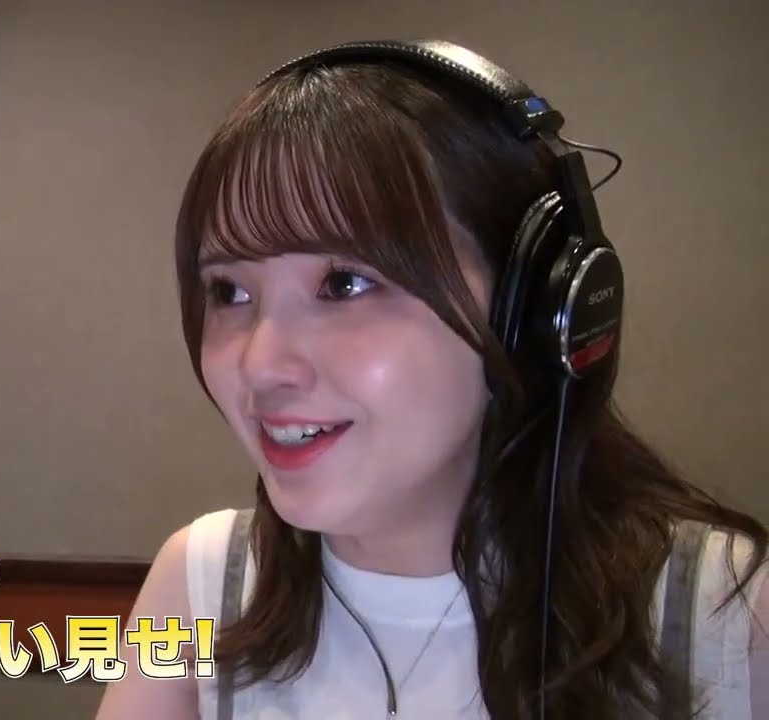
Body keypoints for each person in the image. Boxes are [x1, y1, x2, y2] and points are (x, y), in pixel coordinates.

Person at [95, 40, 769, 719]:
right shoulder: (202, 585)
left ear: (528, 311)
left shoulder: (726, 616)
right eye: (229, 292)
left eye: (344, 283)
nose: (260, 366)